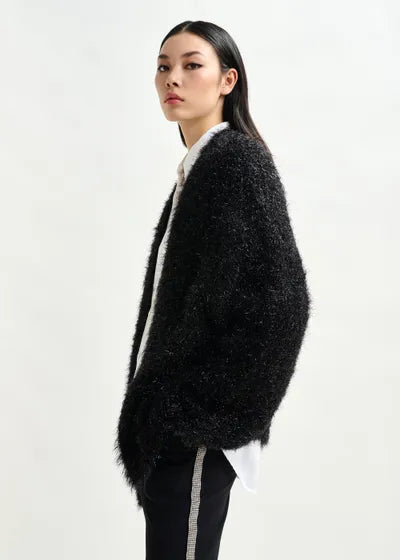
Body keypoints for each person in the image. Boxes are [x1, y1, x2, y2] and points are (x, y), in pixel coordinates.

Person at [114, 20, 311, 560]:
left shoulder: (236, 164)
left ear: (228, 80)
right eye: (163, 66)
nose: (172, 78)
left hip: (196, 434)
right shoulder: (200, 170)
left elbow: (285, 304)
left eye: (191, 65)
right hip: (174, 432)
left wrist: (206, 414)